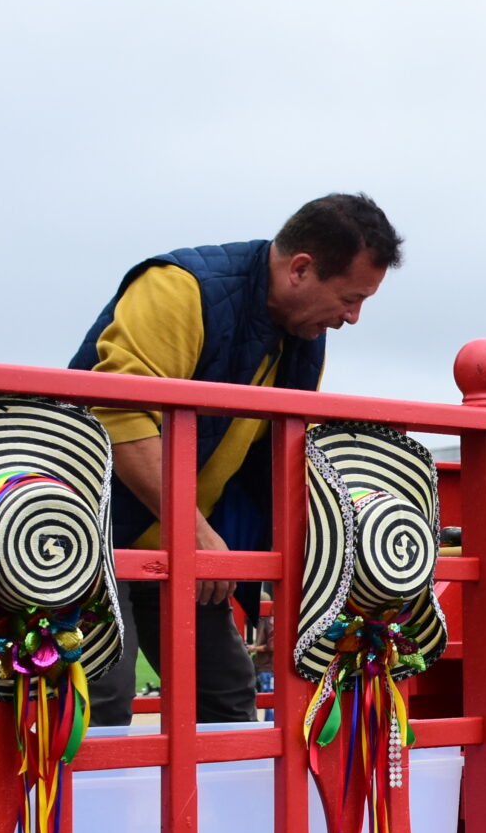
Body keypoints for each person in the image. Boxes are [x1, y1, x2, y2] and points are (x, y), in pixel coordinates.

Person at [69, 193, 402, 727]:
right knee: (102, 691)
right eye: (350, 298)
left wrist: (285, 592)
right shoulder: (178, 289)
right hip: (83, 531)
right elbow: (118, 416)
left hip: (178, 535)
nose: (353, 317)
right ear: (300, 269)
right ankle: (65, 790)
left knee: (226, 692)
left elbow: (283, 465)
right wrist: (193, 530)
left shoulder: (302, 335)